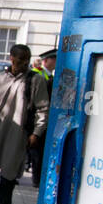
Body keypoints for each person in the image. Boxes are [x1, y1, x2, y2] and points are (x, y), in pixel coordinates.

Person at [0, 44, 50, 204]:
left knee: (8, 174)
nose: (24, 63)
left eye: (26, 60)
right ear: (11, 58)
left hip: (19, 133)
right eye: (20, 60)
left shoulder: (35, 80)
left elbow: (43, 108)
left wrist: (37, 133)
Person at [28, 47, 56, 187]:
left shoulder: (49, 76)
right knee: (36, 153)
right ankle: (36, 179)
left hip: (45, 118)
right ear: (46, 61)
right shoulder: (37, 74)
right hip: (36, 119)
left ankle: (36, 177)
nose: (57, 62)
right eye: (54, 59)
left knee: (38, 152)